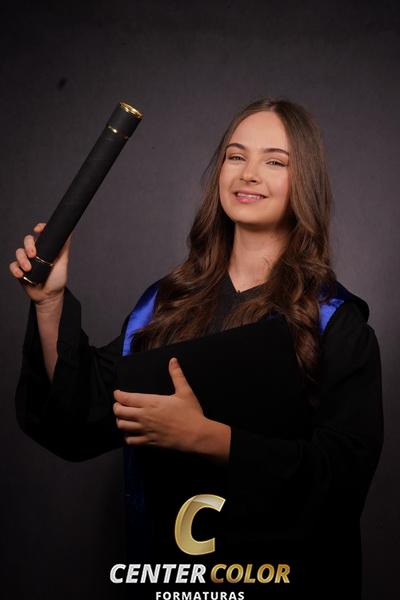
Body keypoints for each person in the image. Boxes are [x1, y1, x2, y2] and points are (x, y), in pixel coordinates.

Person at [10, 98, 383, 598]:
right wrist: (50, 302)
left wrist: (207, 437)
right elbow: (80, 415)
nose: (249, 174)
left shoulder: (333, 320)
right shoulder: (165, 305)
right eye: (236, 156)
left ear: (305, 183)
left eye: (275, 161)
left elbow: (341, 480)